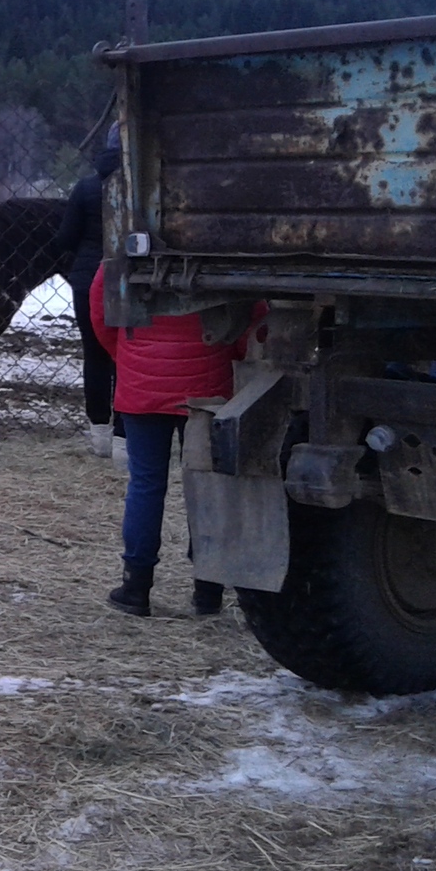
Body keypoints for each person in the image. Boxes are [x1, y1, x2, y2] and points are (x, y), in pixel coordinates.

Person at [87, 262, 251, 617]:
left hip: (141, 382)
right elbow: (248, 314)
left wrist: (128, 355)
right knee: (207, 484)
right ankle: (208, 591)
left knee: (145, 483)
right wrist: (231, 354)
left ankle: (135, 587)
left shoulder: (126, 242)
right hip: (206, 382)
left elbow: (100, 307)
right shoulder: (215, 245)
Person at [54, 132, 122, 455]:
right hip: (131, 280)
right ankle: (126, 435)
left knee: (94, 355)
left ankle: (99, 433)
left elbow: (66, 237)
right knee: (128, 356)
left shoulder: (86, 187)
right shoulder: (144, 184)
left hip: (87, 280)